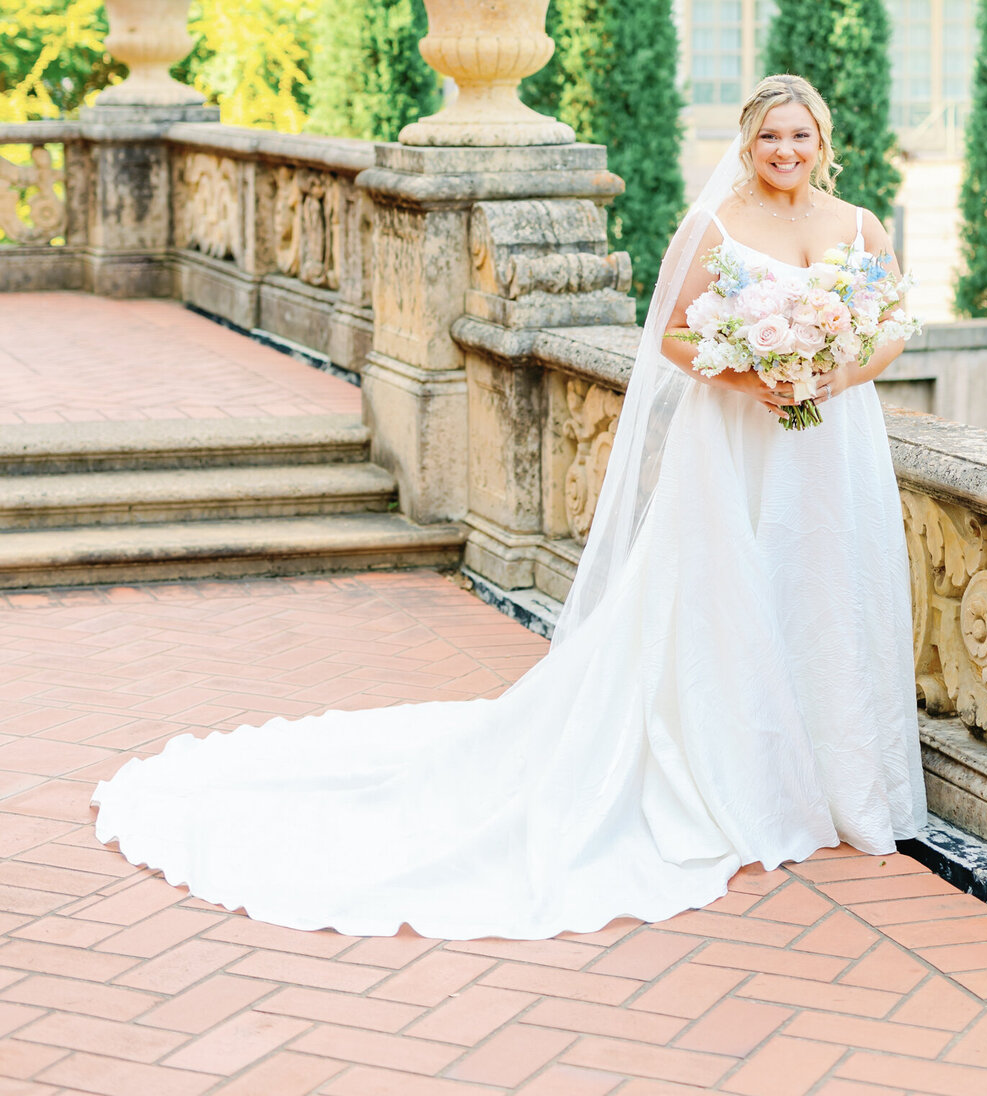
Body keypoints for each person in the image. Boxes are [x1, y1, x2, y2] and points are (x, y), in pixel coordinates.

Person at [92, 73, 926, 941]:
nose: (784, 152)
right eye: (768, 139)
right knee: (730, 596)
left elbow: (893, 325)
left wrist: (828, 372)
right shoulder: (714, 225)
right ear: (747, 145)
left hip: (831, 439)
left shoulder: (858, 227)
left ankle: (837, 776)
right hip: (738, 439)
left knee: (829, 588)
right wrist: (753, 372)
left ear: (823, 142)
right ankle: (745, 774)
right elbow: (671, 336)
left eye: (799, 137)